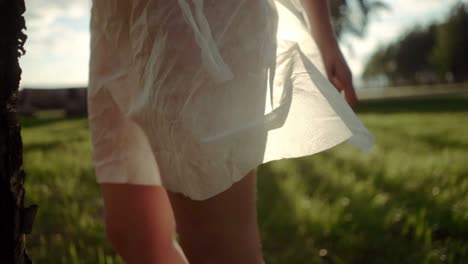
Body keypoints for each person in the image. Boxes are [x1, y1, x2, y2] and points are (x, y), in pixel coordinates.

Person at [87, 0, 374, 263]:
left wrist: (324, 34)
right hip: (113, 17)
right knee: (135, 233)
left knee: (218, 248)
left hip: (204, 14)